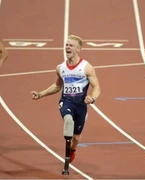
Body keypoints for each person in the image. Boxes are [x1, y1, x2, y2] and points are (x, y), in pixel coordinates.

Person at [31, 35, 101, 163]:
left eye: (71, 45)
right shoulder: (60, 68)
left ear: (78, 49)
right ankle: (68, 125)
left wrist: (92, 98)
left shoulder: (87, 68)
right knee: (68, 119)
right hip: (66, 102)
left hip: (80, 106)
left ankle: (72, 150)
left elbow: (96, 87)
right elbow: (58, 86)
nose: (67, 47)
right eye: (66, 45)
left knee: (76, 138)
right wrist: (41, 94)